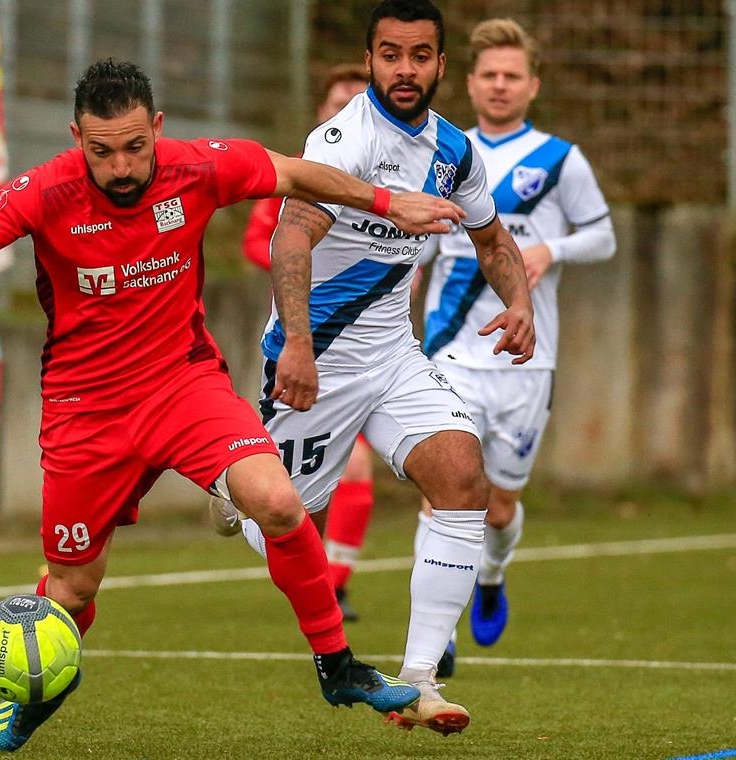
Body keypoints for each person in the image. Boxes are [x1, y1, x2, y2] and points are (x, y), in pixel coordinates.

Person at [0, 58, 462, 753]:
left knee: (281, 503)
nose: (120, 166)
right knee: (74, 591)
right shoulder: (46, 191)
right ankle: (40, 689)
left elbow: (293, 171)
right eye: (102, 150)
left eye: (136, 146)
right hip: (87, 412)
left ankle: (338, 666)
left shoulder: (196, 168)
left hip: (182, 385)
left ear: (157, 129)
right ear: (77, 136)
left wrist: (388, 201)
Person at [216, 0, 536, 735]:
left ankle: (421, 678)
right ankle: (235, 484)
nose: (404, 69)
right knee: (290, 526)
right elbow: (290, 241)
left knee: (463, 477)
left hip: (393, 358)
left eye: (419, 55)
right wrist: (297, 345)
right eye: (390, 54)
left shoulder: (454, 150)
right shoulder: (343, 140)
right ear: (370, 60)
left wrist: (519, 304)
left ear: (440, 65)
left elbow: (491, 240)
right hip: (314, 363)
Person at [418, 18, 616, 674]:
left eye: (512, 76)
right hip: (449, 349)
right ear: (469, 82)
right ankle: (436, 633)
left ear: (532, 84)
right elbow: (415, 242)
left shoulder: (562, 160)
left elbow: (604, 236)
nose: (500, 85)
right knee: (446, 487)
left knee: (498, 506)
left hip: (527, 359)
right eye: (489, 75)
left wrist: (548, 248)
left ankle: (493, 574)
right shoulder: (441, 152)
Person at [213, 64, 375, 624]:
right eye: (337, 102)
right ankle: (235, 482)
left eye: (358, 99)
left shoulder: (398, 181)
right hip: (303, 343)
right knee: (294, 488)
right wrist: (303, 267)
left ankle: (336, 584)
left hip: (375, 353)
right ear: (321, 114)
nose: (347, 109)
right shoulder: (299, 179)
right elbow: (261, 241)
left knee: (355, 471)